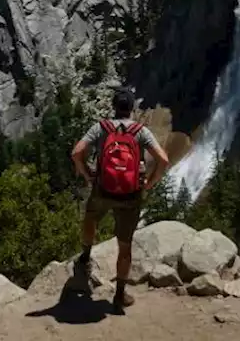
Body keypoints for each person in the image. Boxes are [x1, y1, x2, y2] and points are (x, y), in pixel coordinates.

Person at [70, 86, 169, 312]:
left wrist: (87, 175)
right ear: (132, 109)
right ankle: (120, 295)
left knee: (90, 218)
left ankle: (85, 257)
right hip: (130, 195)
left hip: (103, 189)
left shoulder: (101, 128)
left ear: (113, 107)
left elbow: (76, 153)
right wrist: (149, 183)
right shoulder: (140, 131)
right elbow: (163, 159)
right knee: (125, 247)